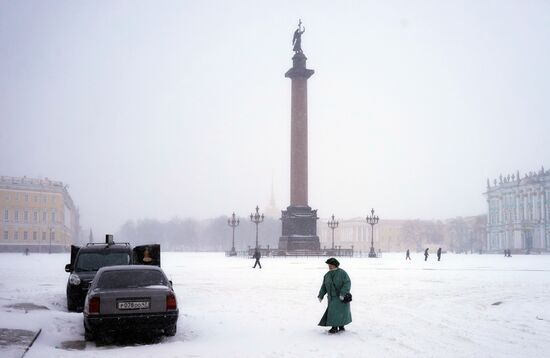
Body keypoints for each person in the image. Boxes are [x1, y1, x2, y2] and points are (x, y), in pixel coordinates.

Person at [318, 258, 352, 334]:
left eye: (331, 265)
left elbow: (347, 283)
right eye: (329, 265)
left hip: (340, 298)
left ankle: (340, 326)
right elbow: (324, 286)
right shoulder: (327, 275)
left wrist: (343, 293)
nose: (329, 266)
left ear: (335, 265)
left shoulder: (342, 273)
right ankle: (334, 327)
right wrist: (321, 295)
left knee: (341, 313)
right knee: (333, 313)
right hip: (331, 298)